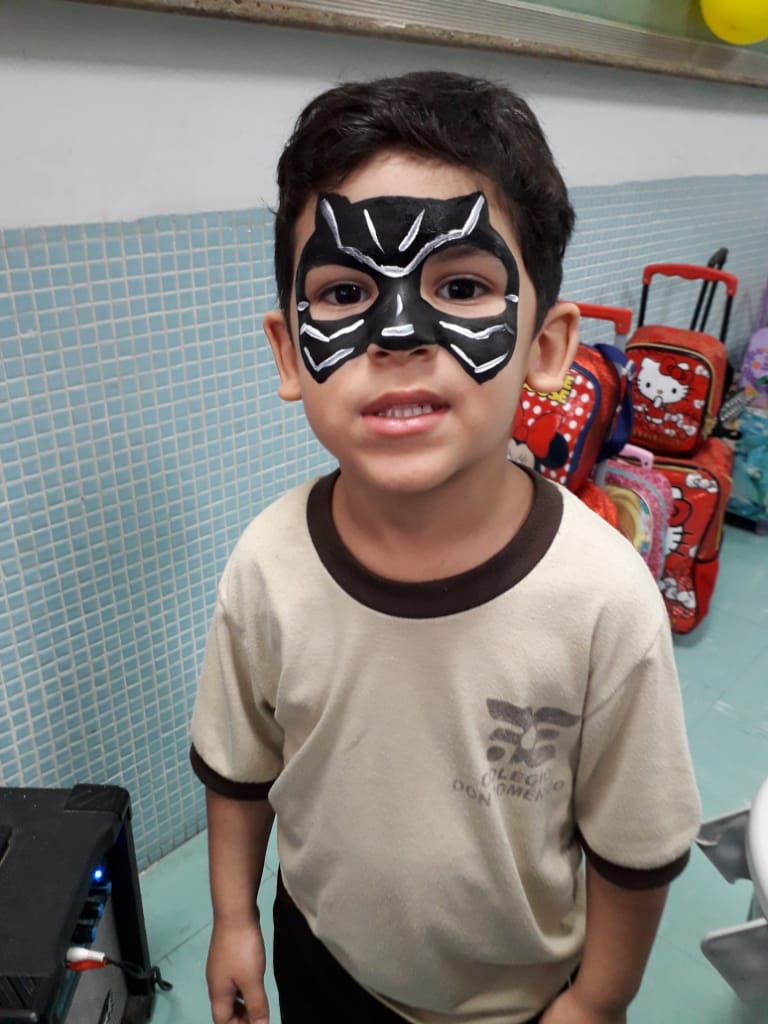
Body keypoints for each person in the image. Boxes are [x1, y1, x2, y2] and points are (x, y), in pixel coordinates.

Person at [190, 70, 701, 1024]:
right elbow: (238, 766)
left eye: (461, 287)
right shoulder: (268, 565)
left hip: (517, 1000)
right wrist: (232, 920)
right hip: (321, 956)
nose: (396, 333)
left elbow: (635, 847)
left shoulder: (602, 601)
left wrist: (599, 1002)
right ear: (290, 353)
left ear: (547, 347)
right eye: (345, 292)